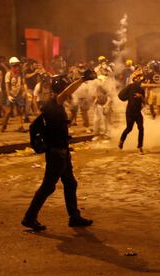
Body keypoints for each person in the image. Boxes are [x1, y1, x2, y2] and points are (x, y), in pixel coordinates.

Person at [21, 69, 97, 231]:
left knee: (70, 183)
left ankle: (74, 217)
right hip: (56, 153)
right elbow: (67, 91)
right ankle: (29, 217)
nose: (69, 91)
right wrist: (82, 79)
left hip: (61, 151)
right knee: (48, 186)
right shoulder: (54, 101)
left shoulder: (54, 104)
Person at [118, 71, 146, 153]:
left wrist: (140, 96)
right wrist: (129, 97)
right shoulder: (130, 86)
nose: (139, 79)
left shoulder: (141, 90)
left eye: (140, 78)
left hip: (138, 112)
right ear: (134, 79)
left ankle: (140, 147)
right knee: (129, 128)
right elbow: (120, 95)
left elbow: (144, 102)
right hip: (130, 112)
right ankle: (121, 141)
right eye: (138, 77)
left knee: (141, 128)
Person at [1, 57, 25, 132]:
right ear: (11, 66)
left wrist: (24, 92)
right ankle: (4, 125)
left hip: (18, 94)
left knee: (19, 111)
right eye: (15, 66)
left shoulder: (20, 74)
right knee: (8, 111)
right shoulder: (8, 74)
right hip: (11, 94)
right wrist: (9, 95)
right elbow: (7, 86)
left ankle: (20, 127)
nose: (17, 67)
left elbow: (22, 84)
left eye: (18, 65)